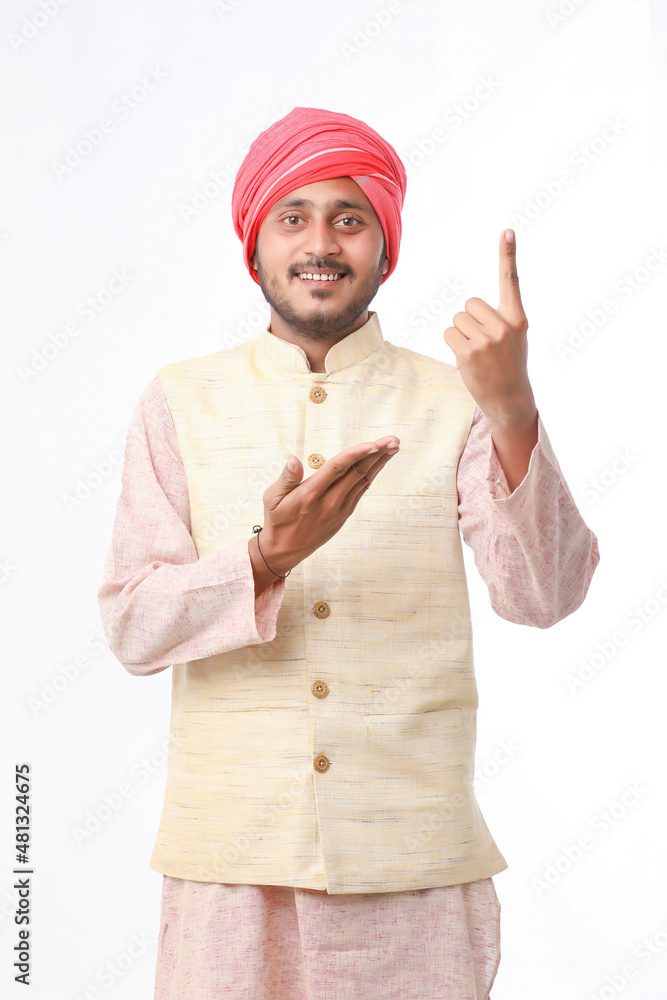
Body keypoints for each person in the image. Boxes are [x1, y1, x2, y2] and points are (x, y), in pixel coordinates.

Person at [97, 106, 600, 999]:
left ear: (384, 245)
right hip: (230, 873)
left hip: (415, 871)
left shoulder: (459, 402)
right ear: (254, 246)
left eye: (348, 218)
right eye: (292, 217)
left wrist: (514, 413)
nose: (320, 243)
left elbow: (544, 595)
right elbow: (133, 627)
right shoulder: (179, 402)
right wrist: (262, 561)